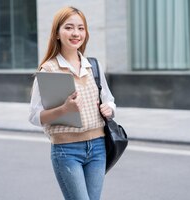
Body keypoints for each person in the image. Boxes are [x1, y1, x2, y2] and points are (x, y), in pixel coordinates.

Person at [29, 6, 116, 200]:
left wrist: (109, 108)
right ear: (57, 33)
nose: (76, 33)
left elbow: (109, 99)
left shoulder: (92, 65)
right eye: (69, 28)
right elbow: (34, 117)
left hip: (98, 147)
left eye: (81, 28)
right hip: (66, 150)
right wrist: (63, 110)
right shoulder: (48, 70)